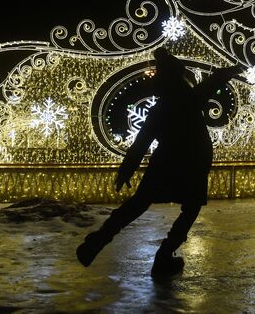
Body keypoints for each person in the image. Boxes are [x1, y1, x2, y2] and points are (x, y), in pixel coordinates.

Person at [76, 47, 242, 278]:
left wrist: (127, 170)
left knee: (139, 204)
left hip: (165, 162)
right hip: (192, 163)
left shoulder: (160, 108)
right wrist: (234, 69)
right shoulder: (190, 98)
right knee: (190, 208)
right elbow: (215, 79)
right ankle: (164, 256)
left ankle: (97, 241)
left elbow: (141, 143)